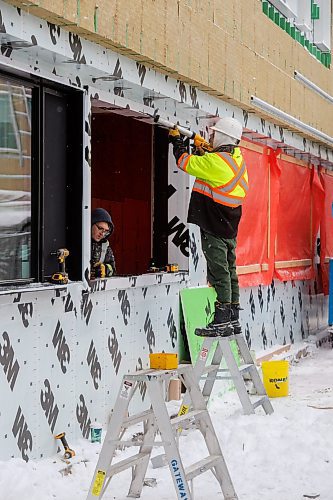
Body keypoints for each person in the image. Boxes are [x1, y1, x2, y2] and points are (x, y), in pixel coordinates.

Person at [169, 117, 248, 337]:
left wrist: (178, 143)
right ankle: (232, 316)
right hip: (229, 225)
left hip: (214, 224)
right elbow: (216, 171)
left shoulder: (216, 163)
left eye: (213, 134)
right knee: (229, 270)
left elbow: (185, 162)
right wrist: (206, 150)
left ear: (223, 137)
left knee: (218, 270)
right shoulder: (236, 159)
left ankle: (222, 318)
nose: (210, 137)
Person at [90, 207, 116, 279]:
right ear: (90, 224)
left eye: (105, 231)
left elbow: (113, 269)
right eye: (100, 228)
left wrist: (105, 269)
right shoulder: (79, 243)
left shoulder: (105, 247)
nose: (102, 234)